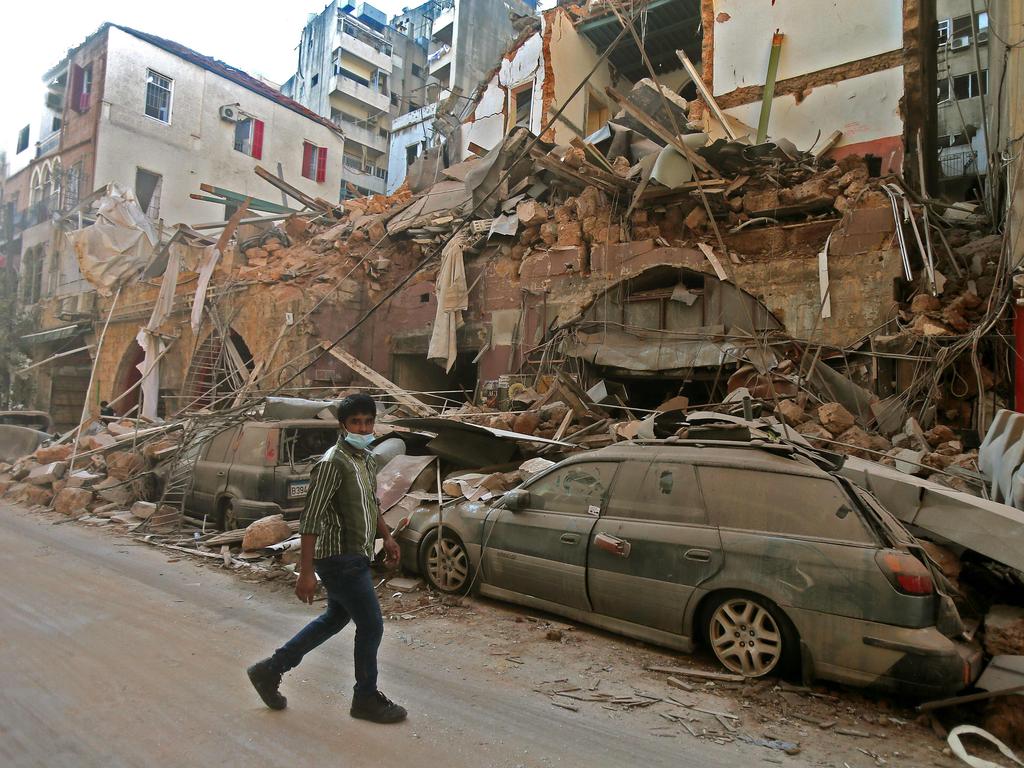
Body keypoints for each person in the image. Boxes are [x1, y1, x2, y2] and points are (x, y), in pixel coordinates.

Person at [246, 394, 407, 724]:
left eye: (368, 421)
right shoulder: (333, 462)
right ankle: (365, 698)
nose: (363, 428)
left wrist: (387, 536)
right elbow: (310, 519)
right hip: (339, 558)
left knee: (335, 618)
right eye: (356, 422)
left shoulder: (364, 459)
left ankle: (270, 669)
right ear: (343, 425)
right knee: (372, 624)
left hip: (356, 554)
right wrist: (305, 573)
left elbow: (371, 503)